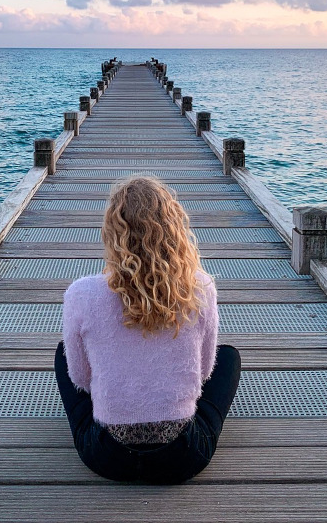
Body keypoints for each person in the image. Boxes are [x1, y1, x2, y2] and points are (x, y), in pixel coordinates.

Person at [54, 175, 241, 484]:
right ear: (174, 231)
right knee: (229, 358)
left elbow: (81, 380)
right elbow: (205, 372)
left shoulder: (81, 293)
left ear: (112, 233)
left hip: (106, 457)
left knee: (64, 353)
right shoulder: (200, 288)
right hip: (183, 457)